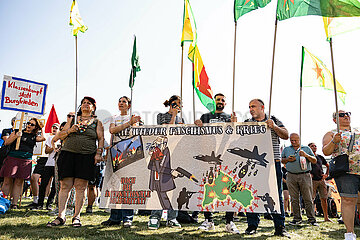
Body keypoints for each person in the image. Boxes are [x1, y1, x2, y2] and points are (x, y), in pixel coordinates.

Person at [47, 96, 104, 227]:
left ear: (93, 107)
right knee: (65, 185)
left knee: (80, 186)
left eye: (89, 103)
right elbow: (59, 136)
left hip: (86, 156)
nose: (85, 105)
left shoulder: (97, 122)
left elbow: (100, 139)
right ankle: (61, 216)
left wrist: (98, 153)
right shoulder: (73, 120)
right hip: (68, 154)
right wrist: (70, 130)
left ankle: (76, 216)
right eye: (83, 103)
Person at [244, 99, 290, 238]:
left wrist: (274, 127)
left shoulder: (273, 119)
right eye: (249, 107)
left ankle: (280, 226)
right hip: (253, 165)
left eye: (253, 106)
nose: (251, 109)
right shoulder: (247, 123)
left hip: (272, 163)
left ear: (262, 107)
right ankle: (252, 225)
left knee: (276, 195)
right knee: (251, 194)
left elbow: (286, 135)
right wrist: (234, 125)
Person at [194, 93, 239, 233]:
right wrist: (198, 125)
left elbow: (237, 137)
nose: (220, 101)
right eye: (218, 99)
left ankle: (229, 221)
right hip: (209, 157)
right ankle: (209, 220)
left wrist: (235, 124)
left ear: (225, 103)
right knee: (208, 188)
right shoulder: (205, 117)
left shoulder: (229, 118)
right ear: (214, 102)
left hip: (226, 157)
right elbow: (198, 137)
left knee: (229, 188)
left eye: (222, 100)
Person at [101, 96, 141, 227]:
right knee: (115, 186)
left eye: (124, 102)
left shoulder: (134, 116)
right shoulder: (114, 117)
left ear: (129, 105)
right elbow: (112, 130)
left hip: (130, 153)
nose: (121, 103)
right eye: (120, 101)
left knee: (127, 185)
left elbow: (135, 131)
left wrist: (131, 123)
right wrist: (128, 123)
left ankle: (127, 217)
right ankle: (115, 217)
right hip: (116, 153)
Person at [322, 110, 360, 240]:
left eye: (348, 113)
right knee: (348, 200)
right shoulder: (331, 133)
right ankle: (350, 233)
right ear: (335, 120)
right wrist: (333, 141)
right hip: (346, 171)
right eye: (341, 115)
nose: (346, 116)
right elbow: (326, 151)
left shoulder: (357, 130)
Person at [148, 95, 183, 230]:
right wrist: (173, 116)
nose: (176, 106)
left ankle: (172, 217)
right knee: (158, 188)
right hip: (159, 155)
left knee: (172, 189)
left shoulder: (182, 119)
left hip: (173, 154)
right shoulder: (161, 115)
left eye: (179, 104)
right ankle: (155, 216)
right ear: (170, 104)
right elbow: (165, 131)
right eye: (174, 104)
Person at [0, 118, 45, 208]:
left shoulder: (34, 136)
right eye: (28, 123)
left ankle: (14, 204)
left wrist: (41, 128)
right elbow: (7, 142)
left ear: (35, 127)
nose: (29, 125)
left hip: (25, 160)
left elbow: (43, 138)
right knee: (7, 181)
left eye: (32, 125)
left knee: (19, 182)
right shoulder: (17, 131)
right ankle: (2, 202)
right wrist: (16, 136)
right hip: (13, 157)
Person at [281, 133, 318, 227]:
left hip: (305, 175)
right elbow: (282, 160)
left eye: (295, 140)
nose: (293, 142)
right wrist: (288, 160)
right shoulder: (286, 149)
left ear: (299, 140)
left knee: (308, 198)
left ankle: (312, 219)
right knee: (294, 198)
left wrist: (306, 155)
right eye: (291, 140)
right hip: (290, 175)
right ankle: (297, 218)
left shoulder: (306, 148)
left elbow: (314, 160)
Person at [34, 123, 60, 210]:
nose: (54, 129)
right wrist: (54, 146)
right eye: (53, 127)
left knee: (55, 186)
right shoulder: (50, 138)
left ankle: (49, 204)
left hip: (58, 165)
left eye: (56, 128)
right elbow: (47, 151)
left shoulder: (63, 139)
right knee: (43, 184)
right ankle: (40, 203)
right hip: (49, 164)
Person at [308, 142, 331, 222]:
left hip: (321, 180)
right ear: (309, 148)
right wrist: (308, 174)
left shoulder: (320, 157)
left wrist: (326, 174)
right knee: (311, 199)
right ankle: (312, 217)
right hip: (312, 181)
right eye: (312, 146)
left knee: (324, 199)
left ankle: (326, 217)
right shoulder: (307, 157)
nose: (314, 147)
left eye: (315, 146)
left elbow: (328, 165)